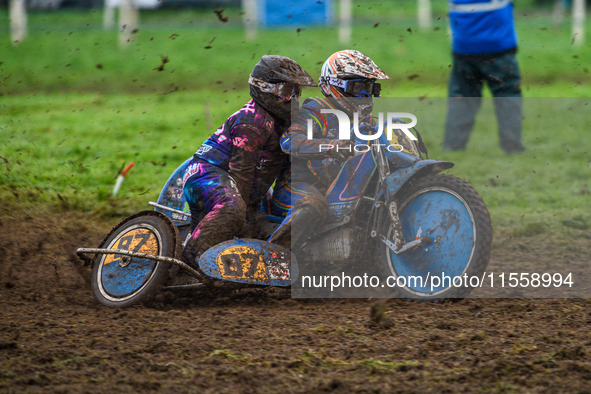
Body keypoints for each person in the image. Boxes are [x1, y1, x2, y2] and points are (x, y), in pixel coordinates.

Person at [181, 55, 316, 267]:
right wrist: (241, 214)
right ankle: (186, 263)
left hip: (244, 188)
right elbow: (241, 173)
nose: (293, 98)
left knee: (254, 235)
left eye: (296, 91)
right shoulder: (252, 121)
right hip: (208, 174)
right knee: (232, 209)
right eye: (287, 92)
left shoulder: (284, 122)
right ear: (264, 88)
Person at [268, 49, 390, 248]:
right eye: (359, 87)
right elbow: (290, 139)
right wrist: (330, 146)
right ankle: (271, 257)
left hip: (335, 187)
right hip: (295, 188)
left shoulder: (363, 120)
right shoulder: (316, 109)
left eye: (370, 87)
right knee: (313, 205)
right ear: (334, 84)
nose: (365, 94)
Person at [443, 0, 525, 154]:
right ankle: (512, 147)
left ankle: (453, 146)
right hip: (498, 47)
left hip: (463, 47)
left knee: (462, 97)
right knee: (507, 94)